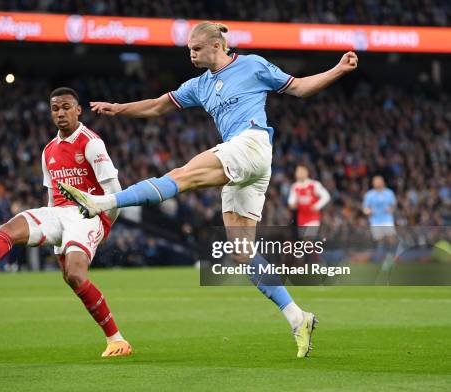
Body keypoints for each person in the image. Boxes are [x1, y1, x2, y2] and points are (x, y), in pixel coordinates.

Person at [58, 22, 358, 358]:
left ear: (216, 45)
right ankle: (297, 317)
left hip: (252, 143)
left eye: (196, 49)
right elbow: (158, 106)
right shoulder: (199, 85)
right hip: (244, 163)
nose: (191, 53)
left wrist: (338, 69)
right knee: (242, 251)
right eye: (189, 49)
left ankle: (103, 202)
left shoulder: (253, 65)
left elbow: (301, 88)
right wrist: (119, 108)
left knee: (181, 175)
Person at [0, 87, 132, 358]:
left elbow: (114, 189)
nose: (61, 113)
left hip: (89, 214)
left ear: (78, 110)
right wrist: (54, 234)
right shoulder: (49, 150)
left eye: (67, 107)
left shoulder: (91, 143)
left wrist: (105, 225)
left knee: (76, 276)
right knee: (10, 229)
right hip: (58, 212)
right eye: (55, 108)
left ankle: (117, 340)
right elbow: (52, 195)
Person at [363, 175, 398, 268]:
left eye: (378, 181)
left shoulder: (389, 193)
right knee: (380, 241)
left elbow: (394, 205)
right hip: (375, 221)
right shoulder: (369, 194)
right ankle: (381, 261)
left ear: (382, 182)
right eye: (374, 181)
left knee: (391, 239)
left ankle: (389, 259)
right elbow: (365, 208)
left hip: (387, 219)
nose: (376, 183)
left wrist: (391, 209)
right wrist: (368, 211)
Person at [288, 165, 331, 237]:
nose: (299, 173)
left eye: (301, 171)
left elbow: (326, 196)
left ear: (306, 172)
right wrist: (292, 204)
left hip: (313, 216)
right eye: (297, 171)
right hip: (301, 216)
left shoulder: (314, 184)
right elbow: (291, 201)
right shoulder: (295, 186)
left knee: (308, 238)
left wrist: (317, 206)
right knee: (305, 241)